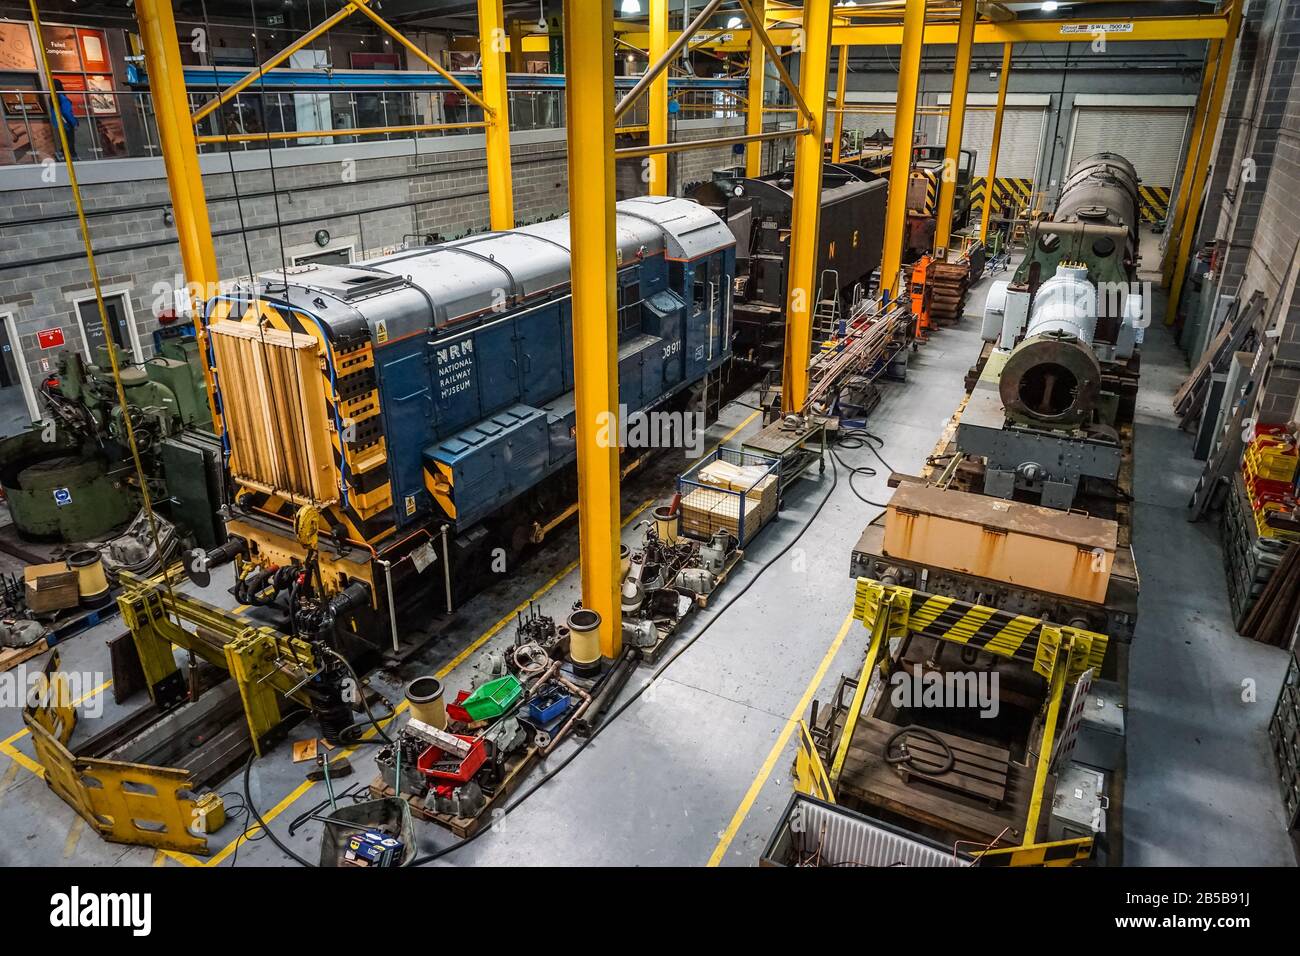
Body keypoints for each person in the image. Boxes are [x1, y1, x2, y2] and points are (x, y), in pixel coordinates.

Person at [52, 79, 78, 161]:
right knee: (70, 140)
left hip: (58, 122)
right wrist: (74, 122)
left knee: (65, 139)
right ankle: (65, 154)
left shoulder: (52, 97)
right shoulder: (61, 97)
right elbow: (67, 112)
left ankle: (70, 155)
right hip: (66, 122)